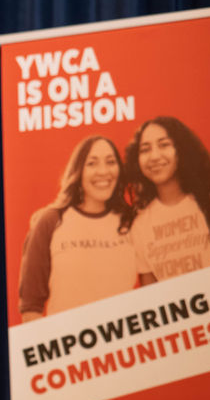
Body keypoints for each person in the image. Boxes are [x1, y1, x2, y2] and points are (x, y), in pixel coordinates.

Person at [18, 135, 135, 321]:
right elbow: (31, 307)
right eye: (92, 163)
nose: (103, 171)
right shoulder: (50, 221)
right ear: (78, 170)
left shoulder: (131, 221)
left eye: (111, 162)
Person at [120, 116, 210, 284]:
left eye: (164, 145)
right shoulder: (140, 224)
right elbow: (151, 293)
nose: (154, 156)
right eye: (145, 149)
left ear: (181, 149)